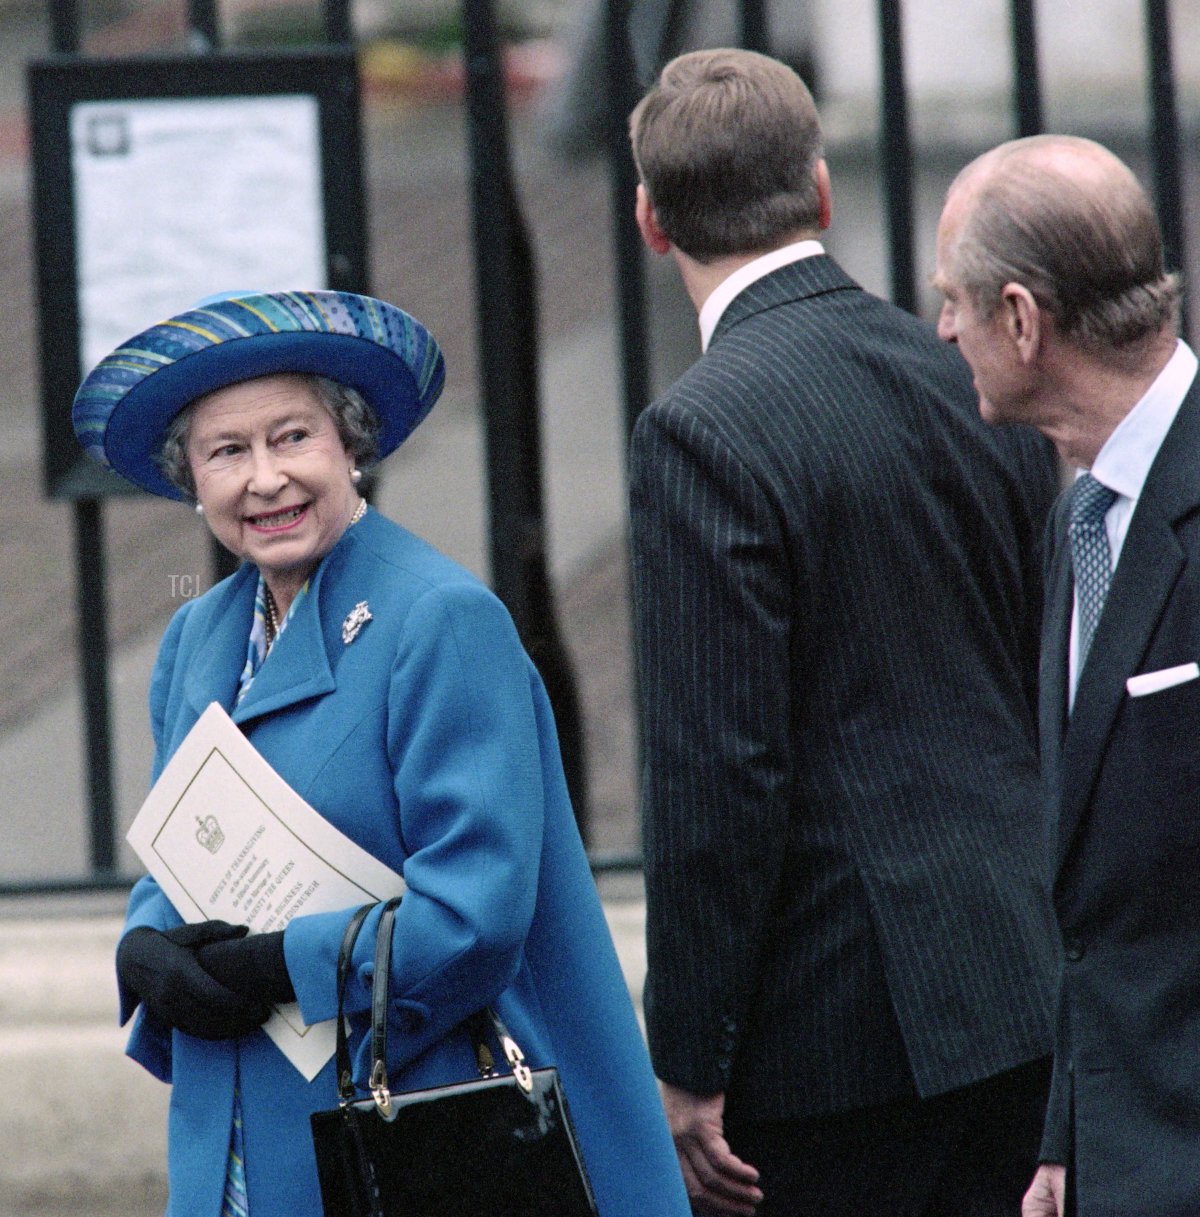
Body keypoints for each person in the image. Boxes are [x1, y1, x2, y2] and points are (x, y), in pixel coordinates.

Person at [74, 289, 691, 1217]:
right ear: (190, 479)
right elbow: (182, 858)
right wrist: (144, 948)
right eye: (227, 452)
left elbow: (475, 915)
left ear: (351, 444)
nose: (265, 479)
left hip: (408, 1126)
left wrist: (282, 963)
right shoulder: (196, 639)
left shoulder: (439, 620)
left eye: (293, 437)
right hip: (234, 1142)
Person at [626, 49, 1061, 1216]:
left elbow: (720, 774)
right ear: (819, 190)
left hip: (832, 1036)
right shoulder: (958, 369)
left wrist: (690, 1053)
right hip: (1020, 983)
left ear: (650, 220)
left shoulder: (697, 432)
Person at [934, 135, 1198, 1217]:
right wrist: (1069, 1134)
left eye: (952, 301)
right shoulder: (1078, 517)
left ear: (1023, 319)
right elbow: (1098, 900)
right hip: (1117, 1150)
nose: (942, 329)